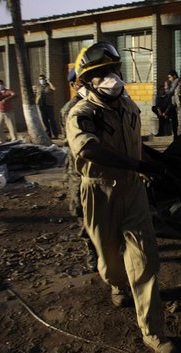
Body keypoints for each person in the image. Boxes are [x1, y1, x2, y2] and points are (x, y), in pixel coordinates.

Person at [66, 41, 176, 353]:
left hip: (133, 190)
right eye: (102, 73)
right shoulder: (82, 113)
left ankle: (153, 333)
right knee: (110, 262)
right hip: (99, 192)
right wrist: (138, 164)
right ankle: (116, 283)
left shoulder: (127, 104)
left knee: (145, 262)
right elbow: (88, 150)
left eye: (114, 70)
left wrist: (146, 168)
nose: (111, 77)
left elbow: (133, 143)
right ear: (88, 81)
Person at [60, 68, 97, 272]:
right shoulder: (72, 108)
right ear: (74, 84)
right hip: (78, 169)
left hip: (100, 168)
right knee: (83, 211)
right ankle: (91, 251)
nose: (84, 85)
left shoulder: (98, 103)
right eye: (80, 82)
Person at [0, 79, 18, 143]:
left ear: (3, 84)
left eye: (0, 84)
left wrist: (7, 98)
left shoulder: (7, 90)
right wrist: (6, 96)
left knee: (12, 127)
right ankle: (1, 140)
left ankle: (14, 140)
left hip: (9, 111)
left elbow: (15, 95)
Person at [33, 74, 59, 139]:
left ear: (45, 79)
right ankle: (48, 134)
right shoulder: (37, 87)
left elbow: (54, 89)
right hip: (41, 105)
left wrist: (49, 82)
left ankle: (55, 134)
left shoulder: (49, 86)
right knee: (44, 120)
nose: (41, 80)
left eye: (42, 79)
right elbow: (33, 93)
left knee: (52, 120)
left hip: (49, 105)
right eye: (40, 79)